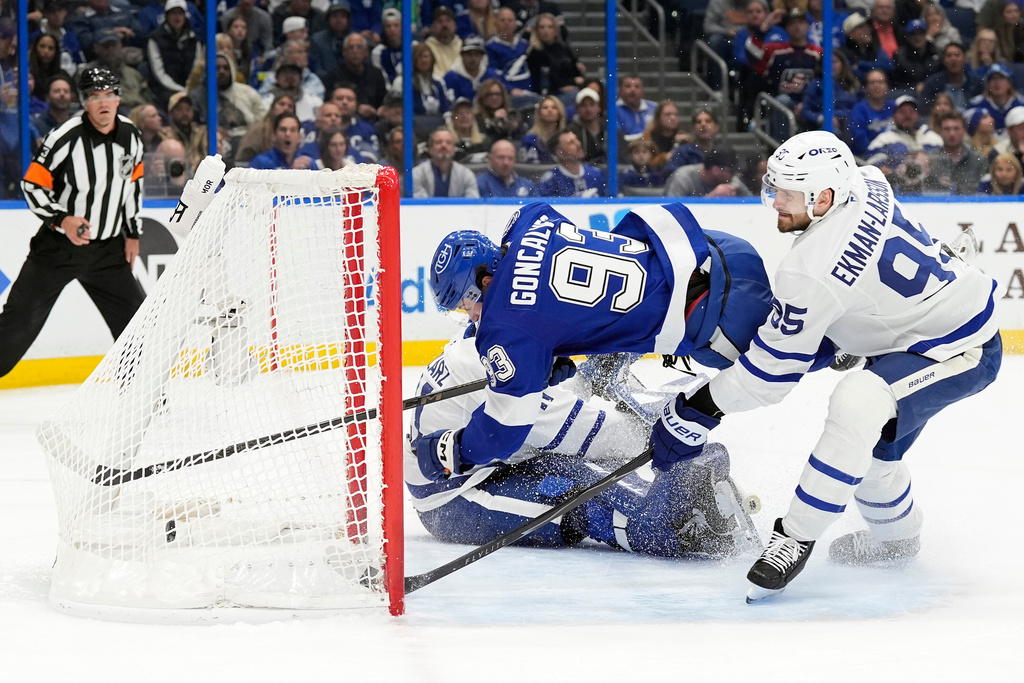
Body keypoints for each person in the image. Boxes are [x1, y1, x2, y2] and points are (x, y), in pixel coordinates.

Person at [647, 130, 1001, 600]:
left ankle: (794, 537)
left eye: (787, 194)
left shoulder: (810, 271)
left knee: (859, 401)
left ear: (825, 196)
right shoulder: (870, 180)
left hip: (958, 346)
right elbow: (862, 275)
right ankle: (898, 543)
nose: (774, 203)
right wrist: (845, 334)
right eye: (772, 189)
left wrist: (699, 407)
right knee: (871, 460)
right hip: (920, 324)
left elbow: (769, 377)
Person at [411, 200, 775, 489]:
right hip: (717, 248)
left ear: (484, 281)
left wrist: (454, 452)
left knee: (789, 360)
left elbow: (506, 430)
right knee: (804, 316)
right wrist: (550, 348)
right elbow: (557, 292)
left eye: (464, 304)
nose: (470, 317)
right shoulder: (527, 219)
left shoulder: (504, 329)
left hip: (720, 316)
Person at [406, 333, 758, 560]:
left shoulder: (481, 347)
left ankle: (688, 500)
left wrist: (589, 381)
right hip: (456, 502)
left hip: (482, 463)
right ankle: (666, 522)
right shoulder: (512, 385)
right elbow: (596, 436)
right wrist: (676, 429)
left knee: (571, 470)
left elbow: (552, 410)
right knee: (577, 492)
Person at [5, 67, 146, 379]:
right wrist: (62, 219)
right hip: (58, 250)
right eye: (95, 97)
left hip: (109, 251)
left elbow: (133, 186)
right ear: (84, 102)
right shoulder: (64, 138)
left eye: (109, 94)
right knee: (18, 324)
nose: (104, 102)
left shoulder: (131, 136)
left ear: (119, 98)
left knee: (136, 324)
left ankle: (141, 395)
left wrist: (133, 234)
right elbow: (32, 186)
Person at [865, 94, 943, 193]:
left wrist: (923, 155)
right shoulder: (884, 139)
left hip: (930, 192)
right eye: (902, 112)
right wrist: (890, 163)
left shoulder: (931, 136)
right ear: (893, 116)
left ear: (918, 114)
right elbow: (870, 165)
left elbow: (943, 161)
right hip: (896, 192)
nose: (907, 115)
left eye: (911, 111)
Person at [145, 0, 202, 110]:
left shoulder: (193, 38)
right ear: (167, 16)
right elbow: (159, 73)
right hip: (164, 88)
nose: (177, 17)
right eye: (173, 13)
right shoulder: (155, 39)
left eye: (180, 13)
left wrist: (189, 87)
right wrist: (180, 90)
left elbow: (197, 67)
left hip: (190, 86)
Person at [925, 110, 986, 194]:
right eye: (947, 129)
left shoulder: (979, 159)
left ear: (964, 130)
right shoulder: (930, 159)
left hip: (970, 205)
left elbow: (985, 191)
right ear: (940, 131)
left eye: (956, 128)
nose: (952, 133)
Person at [526, 12, 585, 98]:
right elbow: (547, 78)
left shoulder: (563, 48)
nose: (546, 30)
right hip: (550, 93)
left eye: (550, 27)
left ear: (556, 30)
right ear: (537, 30)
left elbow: (575, 66)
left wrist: (578, 78)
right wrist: (572, 82)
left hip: (572, 87)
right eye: (542, 27)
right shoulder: (535, 53)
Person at [412, 127, 481, 198]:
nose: (444, 146)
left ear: (454, 149)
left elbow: (473, 203)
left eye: (448, 142)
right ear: (430, 149)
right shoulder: (417, 173)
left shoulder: (466, 174)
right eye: (438, 142)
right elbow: (419, 204)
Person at [537, 129, 607, 197]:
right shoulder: (550, 182)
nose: (578, 144)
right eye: (571, 142)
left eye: (577, 139)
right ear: (560, 152)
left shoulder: (596, 175)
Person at [920, 41, 984, 113]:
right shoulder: (932, 84)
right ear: (943, 60)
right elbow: (925, 110)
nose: (953, 59)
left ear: (965, 59)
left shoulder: (976, 83)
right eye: (949, 55)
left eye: (957, 55)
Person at [665, 146, 752, 198]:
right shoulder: (683, 178)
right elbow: (672, 213)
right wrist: (712, 197)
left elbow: (752, 202)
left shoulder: (731, 180)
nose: (735, 175)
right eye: (731, 172)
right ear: (716, 171)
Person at [964, 63, 1024, 134]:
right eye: (993, 79)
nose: (997, 82)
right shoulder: (976, 104)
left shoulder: (1021, 103)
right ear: (988, 84)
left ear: (1009, 83)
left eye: (1001, 78)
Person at [849, 68, 895, 157]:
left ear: (886, 85)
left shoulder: (895, 107)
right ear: (866, 87)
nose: (877, 86)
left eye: (880, 82)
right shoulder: (859, 110)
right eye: (872, 82)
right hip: (868, 157)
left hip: (895, 153)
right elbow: (860, 141)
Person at [444, 35, 503, 103]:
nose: (473, 59)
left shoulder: (492, 76)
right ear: (462, 55)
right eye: (469, 54)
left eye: (476, 54)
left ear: (482, 57)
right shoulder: (451, 78)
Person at [892, 18, 941, 90]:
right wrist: (913, 87)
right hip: (909, 93)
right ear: (908, 36)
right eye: (913, 34)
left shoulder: (937, 53)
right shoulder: (899, 56)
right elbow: (895, 83)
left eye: (921, 33)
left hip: (934, 91)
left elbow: (942, 78)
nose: (917, 37)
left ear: (926, 34)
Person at [519, 94, 566, 163]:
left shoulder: (567, 139)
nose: (550, 110)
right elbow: (529, 169)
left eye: (554, 107)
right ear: (539, 114)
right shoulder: (530, 140)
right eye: (545, 107)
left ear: (560, 113)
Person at [32, 73, 77, 138]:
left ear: (72, 97)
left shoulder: (77, 123)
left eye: (66, 91)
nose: (62, 94)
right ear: (47, 97)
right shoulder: (38, 125)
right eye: (57, 91)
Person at [616, 75, 658, 142]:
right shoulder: (614, 110)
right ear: (620, 90)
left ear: (643, 90)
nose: (633, 90)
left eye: (637, 86)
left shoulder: (655, 108)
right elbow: (619, 137)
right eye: (628, 86)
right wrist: (644, 136)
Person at [426, 7, 463, 78]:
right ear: (433, 27)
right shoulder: (427, 47)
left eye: (448, 21)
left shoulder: (463, 46)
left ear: (455, 25)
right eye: (440, 21)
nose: (444, 25)